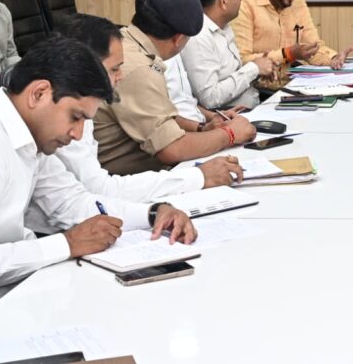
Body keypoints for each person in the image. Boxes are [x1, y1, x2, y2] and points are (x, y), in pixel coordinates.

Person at [0, 37, 196, 310]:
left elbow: (72, 203)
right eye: (75, 117)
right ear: (39, 94)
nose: (77, 134)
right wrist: (66, 244)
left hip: (19, 294)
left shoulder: (29, 137)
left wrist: (152, 214)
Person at [24, 14, 244, 233]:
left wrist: (152, 213)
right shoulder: (59, 113)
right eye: (114, 69)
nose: (121, 76)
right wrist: (198, 175)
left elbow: (72, 202)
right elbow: (98, 189)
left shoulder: (76, 109)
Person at [93, 0, 255, 175]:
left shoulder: (128, 41)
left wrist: (201, 129)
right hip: (125, 181)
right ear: (179, 39)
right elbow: (171, 149)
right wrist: (230, 134)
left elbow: (157, 115)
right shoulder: (139, 69)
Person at [182, 0, 274, 110]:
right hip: (229, 118)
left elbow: (231, 76)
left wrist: (257, 73)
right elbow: (210, 98)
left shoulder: (224, 28)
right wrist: (253, 69)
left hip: (252, 109)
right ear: (224, 1)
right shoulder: (198, 37)